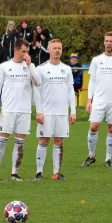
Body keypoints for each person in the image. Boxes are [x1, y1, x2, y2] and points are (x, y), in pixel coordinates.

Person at [0, 39, 40, 181]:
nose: (26, 54)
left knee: (20, 143)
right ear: (16, 50)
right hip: (8, 110)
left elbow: (38, 82)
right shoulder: (5, 66)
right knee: (2, 140)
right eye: (23, 51)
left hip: (24, 111)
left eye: (27, 51)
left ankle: (14, 173)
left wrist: (30, 65)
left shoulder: (30, 66)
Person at [81, 32, 112, 169]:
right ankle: (91, 156)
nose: (108, 43)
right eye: (106, 41)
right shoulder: (96, 60)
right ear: (104, 42)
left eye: (111, 41)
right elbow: (92, 81)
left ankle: (108, 159)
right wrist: (89, 100)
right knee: (93, 126)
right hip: (99, 101)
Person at [34, 39, 76, 181]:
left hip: (62, 112)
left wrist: (73, 111)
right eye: (54, 48)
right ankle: (39, 172)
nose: (57, 51)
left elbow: (71, 91)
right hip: (46, 111)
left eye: (59, 48)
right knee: (44, 140)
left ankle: (56, 172)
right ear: (49, 50)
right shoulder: (41, 69)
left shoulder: (67, 69)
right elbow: (37, 92)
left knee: (59, 141)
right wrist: (39, 111)